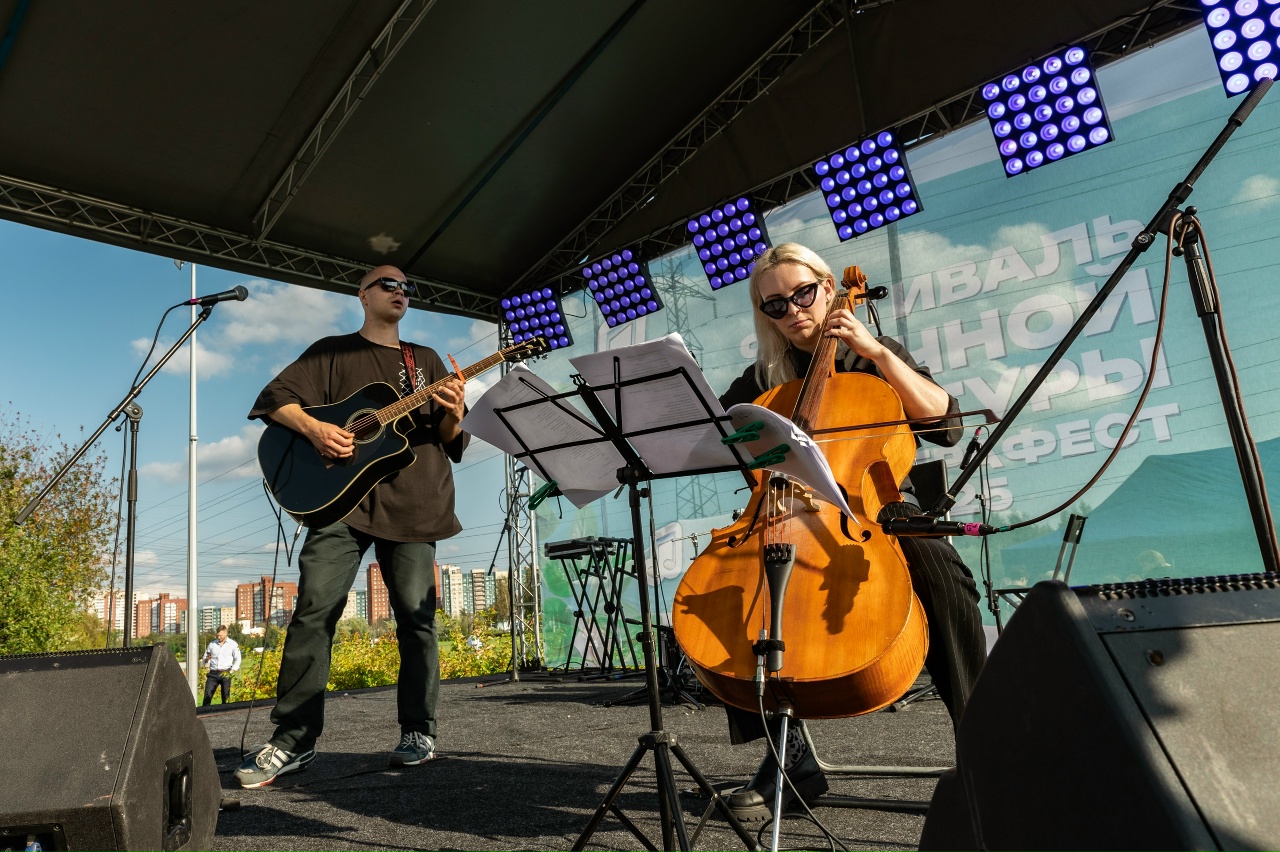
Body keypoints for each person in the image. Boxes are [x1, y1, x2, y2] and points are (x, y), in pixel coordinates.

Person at [716, 243, 988, 821]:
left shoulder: (874, 353)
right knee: (733, 598)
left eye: (803, 294)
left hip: (880, 509)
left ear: (827, 286)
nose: (792, 311)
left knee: (941, 572)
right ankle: (789, 761)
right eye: (774, 306)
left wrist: (875, 353)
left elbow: (947, 425)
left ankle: (984, 746)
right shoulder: (761, 377)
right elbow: (717, 437)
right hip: (791, 514)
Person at [234, 265, 468, 789]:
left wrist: (453, 411)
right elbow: (275, 400)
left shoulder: (424, 361)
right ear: (363, 296)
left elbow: (449, 437)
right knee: (313, 611)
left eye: (409, 286)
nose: (401, 291)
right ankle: (292, 740)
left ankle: (417, 732)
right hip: (340, 504)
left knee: (416, 619)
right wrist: (318, 428)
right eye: (390, 284)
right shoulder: (330, 351)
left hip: (414, 503)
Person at [201, 624, 241, 706]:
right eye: (217, 635)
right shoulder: (212, 645)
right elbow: (205, 659)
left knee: (226, 698)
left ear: (226, 634)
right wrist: (207, 659)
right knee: (207, 697)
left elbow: (238, 659)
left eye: (221, 636)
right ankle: (204, 714)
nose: (219, 637)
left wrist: (231, 671)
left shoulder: (233, 644)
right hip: (213, 673)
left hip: (226, 673)